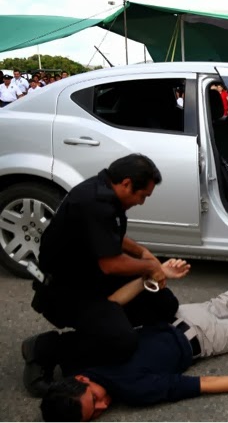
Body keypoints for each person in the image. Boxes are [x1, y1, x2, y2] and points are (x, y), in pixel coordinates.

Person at [40, 259, 228, 421]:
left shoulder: (119, 381)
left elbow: (205, 384)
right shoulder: (118, 383)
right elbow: (203, 384)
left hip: (191, 324)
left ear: (79, 378)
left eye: (96, 399)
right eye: (96, 414)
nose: (105, 405)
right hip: (194, 328)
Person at [23, 154, 178, 397]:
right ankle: (44, 349)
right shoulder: (93, 202)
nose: (142, 202)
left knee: (163, 302)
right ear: (126, 183)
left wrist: (143, 252)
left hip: (91, 275)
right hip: (65, 290)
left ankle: (106, 333)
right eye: (142, 196)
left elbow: (107, 235)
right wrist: (150, 267)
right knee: (122, 342)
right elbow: (111, 265)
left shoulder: (105, 192)